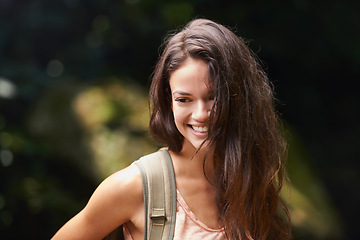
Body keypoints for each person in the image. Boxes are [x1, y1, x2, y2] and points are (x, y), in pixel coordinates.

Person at [52, 18, 291, 240]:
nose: (200, 114)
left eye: (214, 97)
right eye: (184, 99)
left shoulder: (251, 180)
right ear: (168, 102)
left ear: (240, 97)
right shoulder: (134, 187)